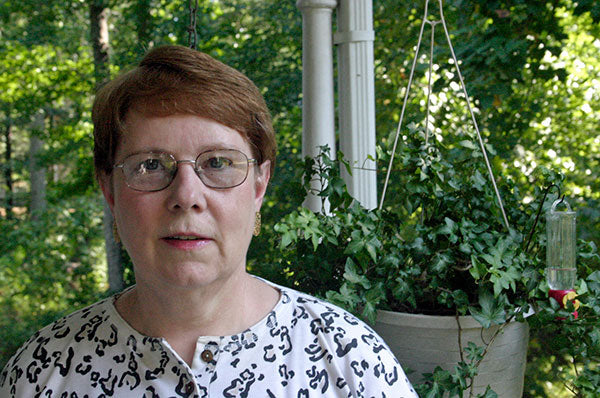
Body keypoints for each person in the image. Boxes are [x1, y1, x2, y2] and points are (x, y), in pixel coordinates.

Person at [0, 45, 418, 398]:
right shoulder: (43, 374)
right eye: (150, 165)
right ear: (109, 190)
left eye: (218, 163)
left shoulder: (350, 361)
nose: (185, 196)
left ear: (259, 186)